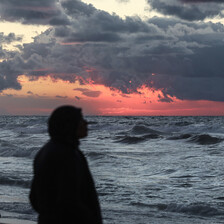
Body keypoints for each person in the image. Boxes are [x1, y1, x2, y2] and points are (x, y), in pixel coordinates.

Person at [29, 105, 103, 224]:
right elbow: (69, 201)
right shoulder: (67, 154)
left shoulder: (45, 151)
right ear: (70, 124)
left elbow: (34, 199)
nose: (86, 123)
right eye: (81, 120)